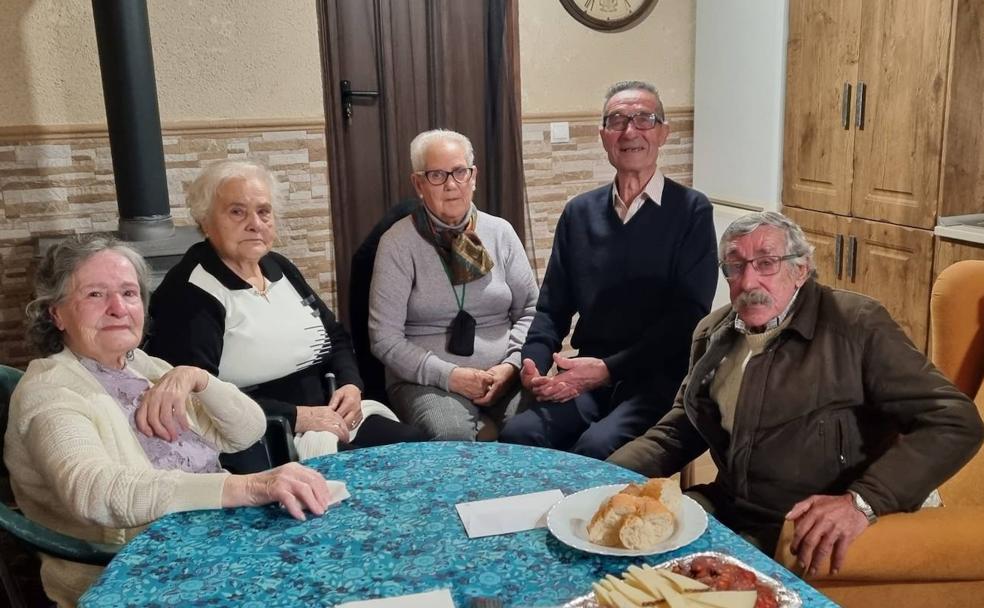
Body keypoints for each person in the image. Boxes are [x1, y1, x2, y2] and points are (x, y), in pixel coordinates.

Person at [608, 211, 984, 575]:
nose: (749, 281)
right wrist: (600, 476)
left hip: (797, 525)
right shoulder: (712, 332)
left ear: (800, 269)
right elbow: (680, 429)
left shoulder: (857, 324)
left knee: (680, 584)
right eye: (735, 266)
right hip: (727, 506)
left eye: (767, 262)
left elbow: (954, 420)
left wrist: (863, 501)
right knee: (620, 554)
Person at [4, 235, 333, 607]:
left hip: (210, 540)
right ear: (57, 313)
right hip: (132, 571)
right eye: (95, 295)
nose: (118, 308)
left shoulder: (144, 368)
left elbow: (248, 430)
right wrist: (249, 487)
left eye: (129, 294)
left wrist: (197, 377)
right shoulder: (51, 391)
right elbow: (96, 491)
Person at [145, 160, 424, 471]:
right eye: (237, 212)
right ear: (206, 221)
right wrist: (299, 416)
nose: (255, 223)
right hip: (267, 435)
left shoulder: (279, 267)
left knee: (413, 446)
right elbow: (201, 401)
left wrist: (350, 384)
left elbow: (335, 336)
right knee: (372, 472)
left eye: (264, 212)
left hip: (329, 412)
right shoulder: (191, 291)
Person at [498, 80, 718, 459]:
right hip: (587, 377)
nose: (630, 131)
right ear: (602, 136)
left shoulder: (692, 211)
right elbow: (551, 307)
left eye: (644, 119)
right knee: (519, 433)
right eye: (616, 121)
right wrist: (532, 364)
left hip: (658, 379)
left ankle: (582, 519)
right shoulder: (579, 213)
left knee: (596, 448)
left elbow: (689, 317)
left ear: (663, 133)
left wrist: (607, 369)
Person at [368, 129, 539, 440]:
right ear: (418, 184)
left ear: (473, 177)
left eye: (460, 172)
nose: (451, 184)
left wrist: (511, 366)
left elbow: (531, 309)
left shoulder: (500, 232)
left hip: (503, 374)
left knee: (538, 430)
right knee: (451, 436)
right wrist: (451, 377)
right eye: (437, 175)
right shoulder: (397, 243)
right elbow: (384, 338)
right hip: (425, 381)